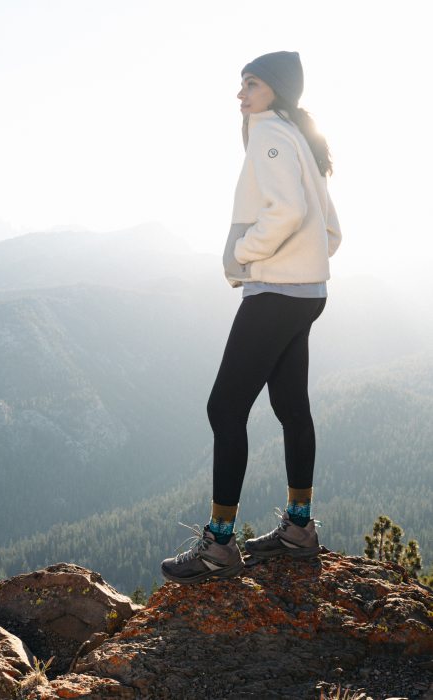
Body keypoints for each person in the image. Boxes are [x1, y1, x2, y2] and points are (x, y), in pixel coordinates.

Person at [161, 51, 342, 584]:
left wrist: (247, 255)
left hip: (276, 292)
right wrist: (306, 260)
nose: (241, 95)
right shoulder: (298, 136)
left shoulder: (268, 135)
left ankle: (219, 545)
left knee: (225, 408)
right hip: (306, 291)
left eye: (252, 84)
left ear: (276, 91)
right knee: (290, 404)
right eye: (241, 84)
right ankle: (299, 529)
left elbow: (287, 213)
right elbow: (331, 229)